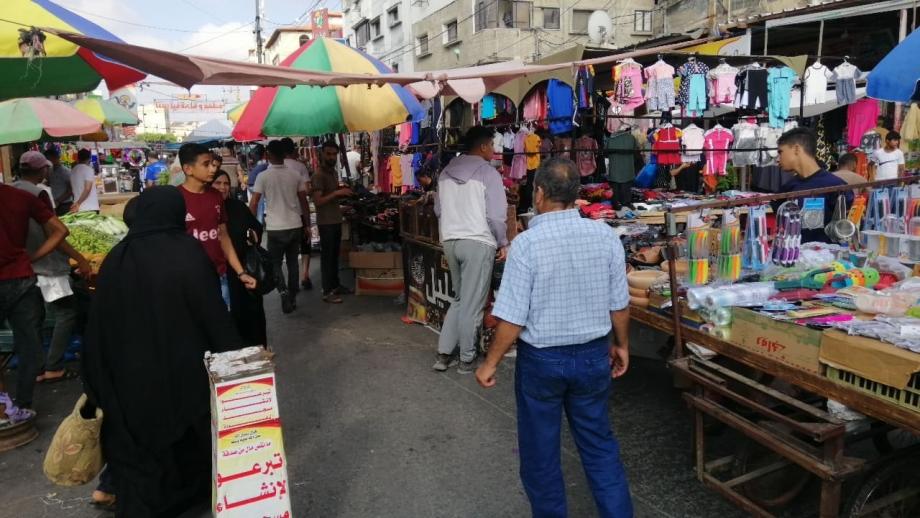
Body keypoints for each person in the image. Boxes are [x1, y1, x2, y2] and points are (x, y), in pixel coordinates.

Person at [475, 158, 633, 518]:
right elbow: (619, 304)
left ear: (540, 193)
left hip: (542, 362)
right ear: (575, 194)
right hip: (593, 356)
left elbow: (512, 316)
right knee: (599, 447)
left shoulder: (526, 244)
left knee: (540, 454)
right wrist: (622, 344)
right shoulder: (605, 237)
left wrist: (490, 363)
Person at [82, 186, 243, 518]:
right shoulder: (187, 252)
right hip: (183, 371)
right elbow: (212, 313)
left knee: (140, 448)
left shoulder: (117, 259)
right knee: (186, 441)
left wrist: (96, 380)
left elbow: (97, 327)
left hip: (129, 380)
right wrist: (237, 358)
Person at [433, 126, 509, 373]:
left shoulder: (445, 172)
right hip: (477, 241)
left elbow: (438, 210)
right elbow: (496, 216)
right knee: (472, 304)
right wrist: (503, 242)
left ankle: (444, 354)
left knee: (459, 299)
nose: (494, 149)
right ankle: (467, 359)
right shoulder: (488, 173)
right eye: (492, 145)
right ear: (483, 146)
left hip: (450, 240)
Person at [12, 152, 92, 384]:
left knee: (33, 318)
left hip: (23, 265)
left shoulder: (11, 189)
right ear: (42, 170)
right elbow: (56, 233)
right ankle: (53, 366)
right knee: (67, 312)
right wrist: (80, 259)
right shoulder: (39, 193)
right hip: (46, 265)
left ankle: (36, 369)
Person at [0, 153, 69, 415]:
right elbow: (60, 230)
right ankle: (22, 405)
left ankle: (3, 407)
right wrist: (32, 257)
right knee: (29, 345)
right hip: (21, 278)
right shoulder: (22, 197)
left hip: (17, 278)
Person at [177, 143, 257, 306]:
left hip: (219, 276)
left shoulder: (215, 196)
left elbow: (223, 237)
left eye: (213, 164)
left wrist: (241, 272)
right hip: (188, 280)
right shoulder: (175, 198)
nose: (213, 169)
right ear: (188, 169)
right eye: (206, 165)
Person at [250, 140, 310, 314]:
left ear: (268, 155)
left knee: (275, 263)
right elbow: (304, 202)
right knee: (292, 262)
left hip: (275, 228)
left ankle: (283, 292)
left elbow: (254, 202)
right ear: (284, 154)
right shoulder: (295, 175)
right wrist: (307, 224)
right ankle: (292, 296)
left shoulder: (263, 176)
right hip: (295, 225)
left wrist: (251, 224)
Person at [212, 171, 267, 346]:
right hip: (219, 273)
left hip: (243, 270)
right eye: (218, 183)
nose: (223, 187)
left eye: (226, 183)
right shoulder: (206, 210)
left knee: (251, 317)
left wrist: (253, 234)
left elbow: (255, 227)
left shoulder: (237, 207)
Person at [776, 127, 851, 244]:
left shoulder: (835, 186)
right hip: (794, 253)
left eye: (780, 152)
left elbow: (848, 229)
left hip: (828, 254)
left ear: (796, 149)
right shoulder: (788, 188)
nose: (778, 159)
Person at [311, 140, 353, 304]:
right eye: (328, 154)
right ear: (322, 154)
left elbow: (330, 199)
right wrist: (337, 193)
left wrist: (342, 204)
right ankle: (327, 290)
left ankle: (335, 285)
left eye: (334, 154)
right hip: (326, 223)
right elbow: (318, 201)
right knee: (327, 257)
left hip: (335, 219)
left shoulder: (333, 173)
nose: (332, 157)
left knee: (334, 256)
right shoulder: (318, 175)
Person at [280, 137, 314, 291]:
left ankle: (289, 281)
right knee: (305, 245)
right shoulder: (300, 166)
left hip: (281, 215)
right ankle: (304, 274)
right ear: (293, 150)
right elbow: (306, 191)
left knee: (289, 251)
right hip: (298, 212)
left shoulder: (271, 168)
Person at [69, 148, 100, 214]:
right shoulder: (88, 169)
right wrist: (78, 203)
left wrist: (77, 203)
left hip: (77, 208)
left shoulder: (73, 170)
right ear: (89, 158)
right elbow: (87, 188)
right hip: (89, 207)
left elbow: (71, 189)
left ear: (78, 158)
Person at [44, 148, 73, 215]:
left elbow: (71, 190)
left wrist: (58, 201)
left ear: (55, 158)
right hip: (54, 204)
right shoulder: (50, 170)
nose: (47, 161)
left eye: (48, 158)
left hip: (65, 204)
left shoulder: (65, 171)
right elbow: (50, 183)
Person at [247, 144, 269, 223]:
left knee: (255, 204)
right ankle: (259, 223)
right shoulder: (265, 164)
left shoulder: (258, 163)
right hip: (254, 185)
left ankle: (254, 221)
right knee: (260, 205)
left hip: (250, 184)